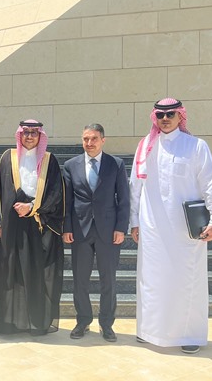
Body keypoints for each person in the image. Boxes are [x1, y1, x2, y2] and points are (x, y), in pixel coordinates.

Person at [130, 98, 212, 354]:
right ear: (155, 117)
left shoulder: (196, 146)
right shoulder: (145, 146)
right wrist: (134, 221)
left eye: (171, 114)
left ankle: (189, 334)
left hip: (186, 230)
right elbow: (135, 187)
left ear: (181, 116)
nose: (165, 119)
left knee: (186, 281)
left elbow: (210, 184)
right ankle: (148, 331)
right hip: (152, 228)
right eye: (160, 115)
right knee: (152, 281)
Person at [0, 120, 64, 336]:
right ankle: (9, 323)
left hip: (38, 224)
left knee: (35, 272)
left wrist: (32, 207)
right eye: (26, 132)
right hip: (11, 224)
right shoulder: (8, 157)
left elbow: (56, 193)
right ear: (19, 135)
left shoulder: (49, 160)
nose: (29, 136)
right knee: (10, 272)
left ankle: (35, 323)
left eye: (34, 133)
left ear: (41, 136)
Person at [63, 124, 129, 342]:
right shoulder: (71, 165)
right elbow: (67, 200)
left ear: (103, 140)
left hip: (108, 231)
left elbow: (124, 199)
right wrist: (67, 228)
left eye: (94, 139)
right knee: (80, 280)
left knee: (108, 280)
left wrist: (121, 228)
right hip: (79, 231)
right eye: (85, 139)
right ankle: (83, 321)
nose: (89, 143)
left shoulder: (115, 164)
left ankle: (106, 324)